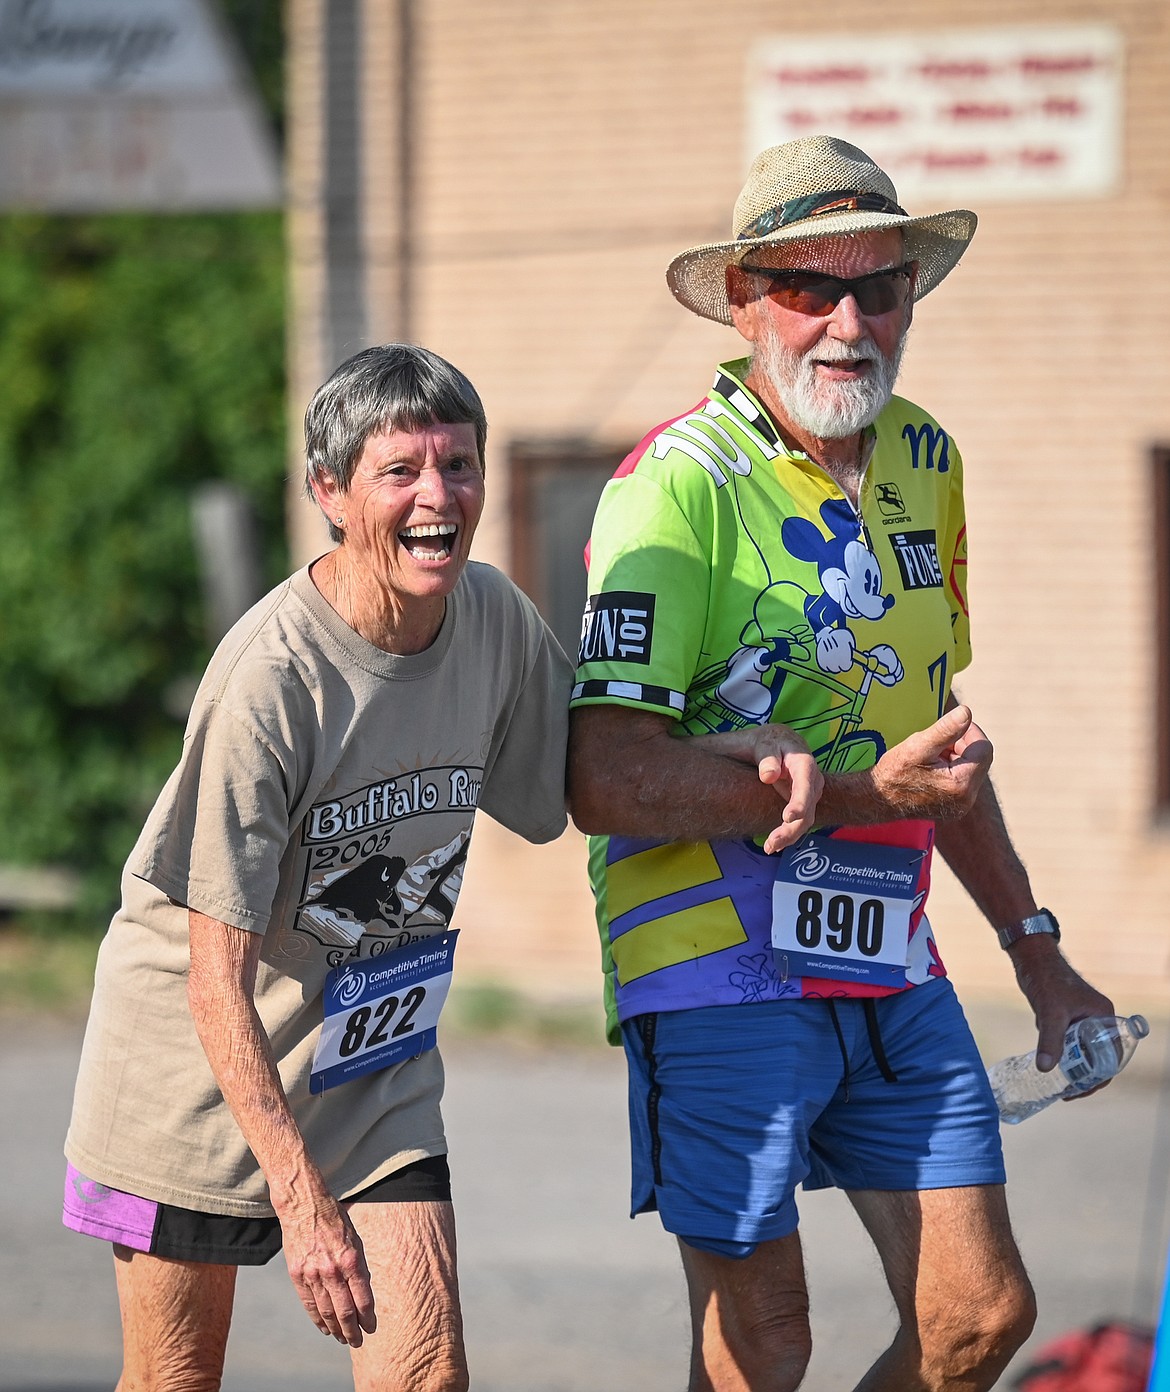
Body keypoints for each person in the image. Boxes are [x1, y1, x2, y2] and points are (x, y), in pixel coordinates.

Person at [567, 135, 1114, 1392]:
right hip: (714, 959)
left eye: (881, 286)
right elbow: (601, 778)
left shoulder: (928, 461)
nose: (849, 321)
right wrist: (870, 798)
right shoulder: (674, 487)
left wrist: (1039, 954)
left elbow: (941, 736)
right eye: (812, 289)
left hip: (886, 954)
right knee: (767, 1346)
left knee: (981, 1314)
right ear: (748, 302)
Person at [63, 344, 572, 1392]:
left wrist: (742, 759)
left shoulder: (494, 621)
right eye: (402, 471)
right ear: (331, 493)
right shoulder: (271, 681)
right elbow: (215, 981)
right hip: (196, 1068)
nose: (440, 495)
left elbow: (592, 773)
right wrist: (303, 1206)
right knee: (174, 1381)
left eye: (460, 464)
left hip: (367, 1066)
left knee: (425, 1373)